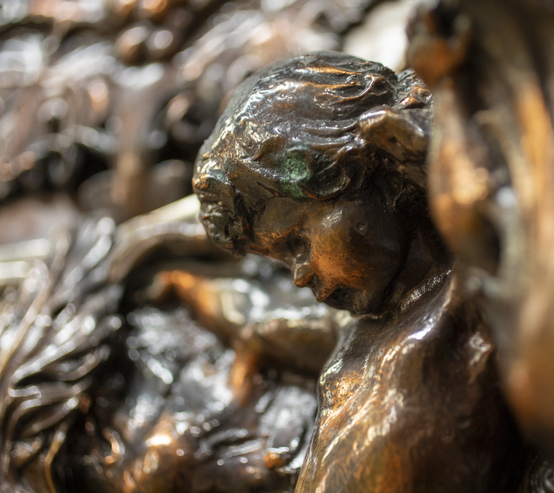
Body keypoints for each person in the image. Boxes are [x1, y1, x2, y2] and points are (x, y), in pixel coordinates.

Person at [193, 51, 529, 492]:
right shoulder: (362, 327)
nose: (298, 276)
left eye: (297, 242)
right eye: (281, 260)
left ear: (361, 166)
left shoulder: (479, 289)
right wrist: (167, 262)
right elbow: (260, 324)